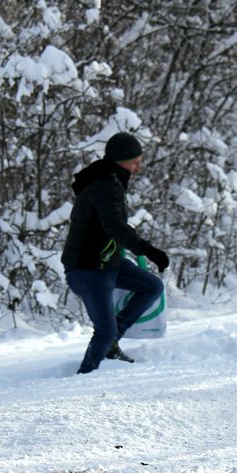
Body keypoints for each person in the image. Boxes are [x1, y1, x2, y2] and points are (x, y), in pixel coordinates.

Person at [61, 132, 169, 374]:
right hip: (87, 269)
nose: (139, 168)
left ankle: (111, 344)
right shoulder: (105, 185)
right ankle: (83, 377)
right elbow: (116, 228)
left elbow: (111, 222)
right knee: (104, 330)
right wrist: (150, 251)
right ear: (120, 161)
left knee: (152, 286)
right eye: (135, 162)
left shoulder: (109, 179)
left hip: (108, 262)